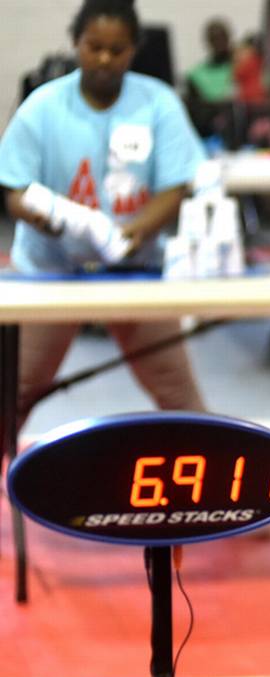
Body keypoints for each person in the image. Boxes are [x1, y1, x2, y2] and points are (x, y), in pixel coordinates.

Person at [0, 0, 206, 428]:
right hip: (49, 269)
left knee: (178, 393)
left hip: (134, 268)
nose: (105, 59)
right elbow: (14, 188)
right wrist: (49, 217)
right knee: (13, 393)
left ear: (134, 49)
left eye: (118, 49)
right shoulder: (43, 106)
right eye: (94, 47)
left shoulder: (160, 104)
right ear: (76, 43)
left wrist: (131, 233)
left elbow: (176, 186)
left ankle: (215, 494)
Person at [184, 17, 234, 139]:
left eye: (222, 37)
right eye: (214, 38)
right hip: (209, 131)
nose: (219, 42)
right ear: (208, 41)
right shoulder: (196, 74)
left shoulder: (242, 67)